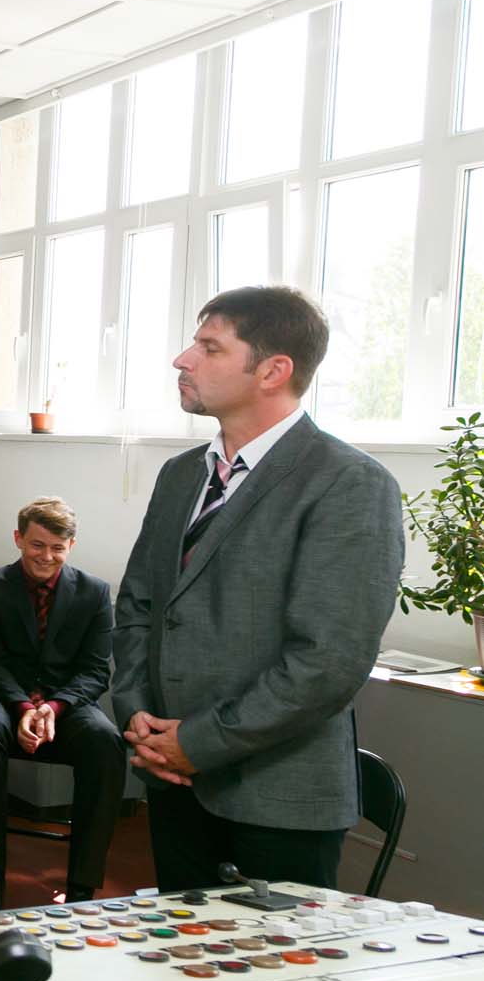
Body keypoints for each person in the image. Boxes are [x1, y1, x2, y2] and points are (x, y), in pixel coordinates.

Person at [114, 286, 402, 892]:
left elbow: (328, 661)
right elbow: (140, 603)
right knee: (177, 974)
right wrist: (137, 713)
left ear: (273, 371)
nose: (182, 359)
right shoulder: (181, 474)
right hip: (171, 782)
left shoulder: (349, 483)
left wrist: (198, 741)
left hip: (277, 799)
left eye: (209, 347)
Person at [0, 497, 124, 903]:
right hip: (6, 698)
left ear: (71, 546)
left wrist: (52, 709)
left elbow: (94, 671)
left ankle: (81, 886)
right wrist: (23, 707)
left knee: (105, 742)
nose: (47, 556)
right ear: (19, 539)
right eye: (38, 545)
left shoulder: (94, 593)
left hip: (66, 704)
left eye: (58, 547)